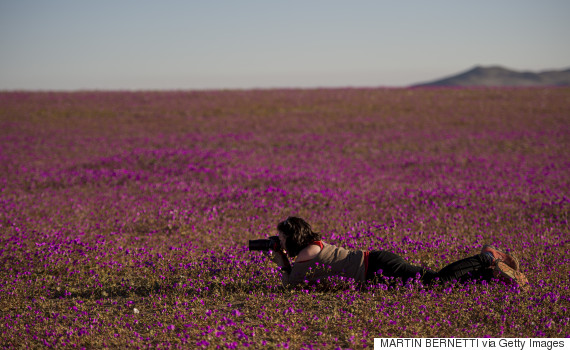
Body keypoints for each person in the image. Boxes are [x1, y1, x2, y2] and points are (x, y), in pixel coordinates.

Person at [268, 217, 529, 291]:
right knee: (432, 284)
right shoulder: (314, 245)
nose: (277, 239)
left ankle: (486, 257)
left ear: (291, 237)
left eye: (281, 236)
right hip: (377, 265)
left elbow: (290, 284)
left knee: (435, 282)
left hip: (378, 267)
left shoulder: (304, 254)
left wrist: (281, 260)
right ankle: (489, 276)